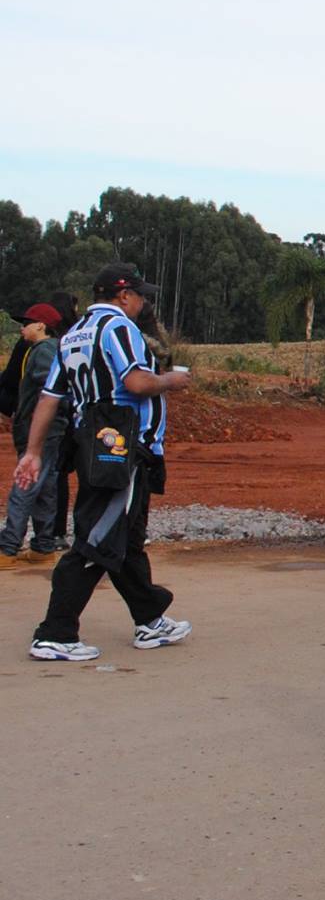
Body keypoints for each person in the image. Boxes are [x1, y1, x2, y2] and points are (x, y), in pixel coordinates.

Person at [15, 264, 193, 662]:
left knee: (126, 537)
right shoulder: (119, 329)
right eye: (140, 296)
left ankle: (150, 619)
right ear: (124, 296)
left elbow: (49, 398)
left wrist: (33, 450)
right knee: (97, 538)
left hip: (94, 444)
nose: (143, 303)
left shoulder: (72, 335)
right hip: (123, 448)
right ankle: (56, 633)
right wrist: (169, 382)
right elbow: (136, 383)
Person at [3, 304, 66, 556]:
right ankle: (43, 545)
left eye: (27, 322)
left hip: (40, 430)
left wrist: (34, 422)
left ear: (41, 326)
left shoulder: (43, 351)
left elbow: (49, 391)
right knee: (46, 485)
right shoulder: (46, 350)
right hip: (48, 429)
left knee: (26, 481)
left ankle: (7, 547)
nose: (22, 327)